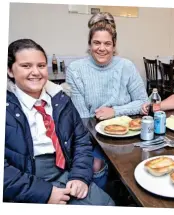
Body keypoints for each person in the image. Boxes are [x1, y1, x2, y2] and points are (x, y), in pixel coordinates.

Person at [4, 38, 115, 205]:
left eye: (41, 66)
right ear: (10, 71)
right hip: (24, 182)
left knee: (107, 204)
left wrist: (79, 176)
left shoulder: (61, 99)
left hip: (66, 172)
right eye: (26, 66)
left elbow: (81, 141)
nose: (36, 72)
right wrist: (44, 193)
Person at [66, 12, 148, 120]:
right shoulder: (75, 70)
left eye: (107, 43)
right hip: (92, 132)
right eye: (96, 43)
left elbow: (144, 103)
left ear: (114, 46)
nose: (102, 48)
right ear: (89, 44)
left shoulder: (127, 66)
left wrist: (115, 111)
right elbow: (82, 117)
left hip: (127, 129)